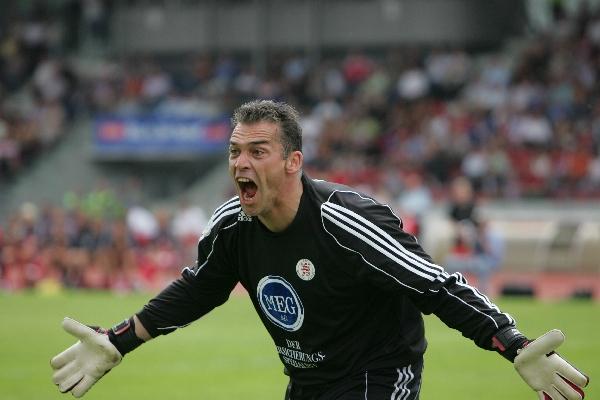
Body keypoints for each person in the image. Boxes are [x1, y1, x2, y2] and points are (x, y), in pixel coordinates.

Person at [50, 100, 589, 400]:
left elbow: (434, 286)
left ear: (293, 162)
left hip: (379, 375)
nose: (240, 163)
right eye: (235, 151)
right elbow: (200, 288)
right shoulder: (231, 225)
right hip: (307, 385)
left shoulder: (347, 222)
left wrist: (512, 343)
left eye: (257, 151)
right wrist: (119, 340)